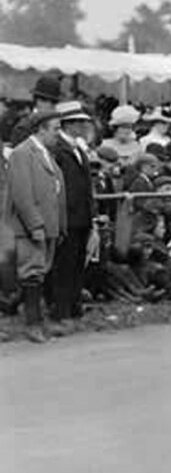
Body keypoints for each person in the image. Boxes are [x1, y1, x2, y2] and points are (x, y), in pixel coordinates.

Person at [7, 111, 67, 343]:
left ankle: (26, 313)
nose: (58, 134)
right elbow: (22, 194)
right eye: (55, 128)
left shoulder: (46, 154)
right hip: (31, 227)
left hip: (50, 225)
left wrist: (60, 225)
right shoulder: (22, 153)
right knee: (32, 273)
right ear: (41, 128)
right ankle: (33, 324)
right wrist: (35, 224)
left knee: (39, 273)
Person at [49, 101, 95, 328]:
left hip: (82, 215)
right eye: (79, 123)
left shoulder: (78, 149)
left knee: (78, 262)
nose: (83, 127)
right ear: (68, 125)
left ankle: (74, 305)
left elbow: (86, 185)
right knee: (64, 264)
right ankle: (61, 310)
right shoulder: (58, 149)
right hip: (67, 215)